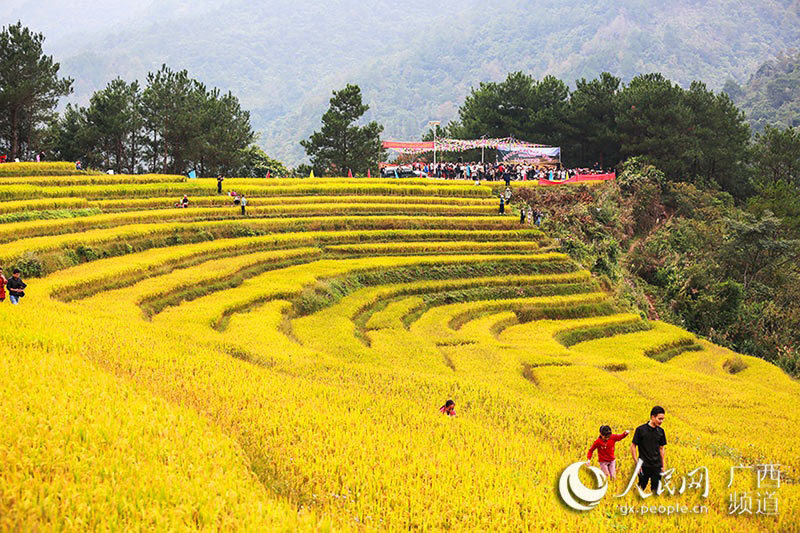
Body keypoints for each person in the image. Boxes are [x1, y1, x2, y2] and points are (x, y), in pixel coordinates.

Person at [631, 406, 667, 494]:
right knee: (640, 488)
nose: (661, 421)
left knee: (656, 490)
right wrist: (636, 463)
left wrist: (663, 465)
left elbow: (661, 449)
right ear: (652, 417)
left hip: (656, 466)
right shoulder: (640, 430)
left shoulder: (661, 431)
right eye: (659, 419)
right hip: (643, 465)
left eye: (662, 419)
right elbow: (633, 446)